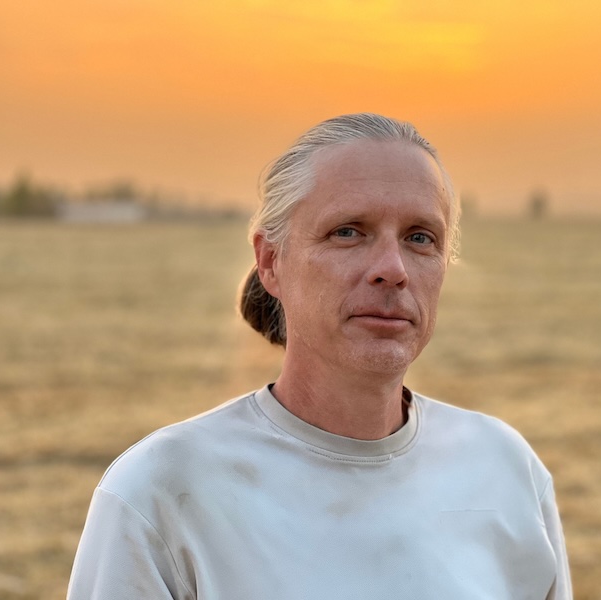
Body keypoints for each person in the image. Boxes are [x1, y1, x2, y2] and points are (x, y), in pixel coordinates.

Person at [67, 113, 572, 599]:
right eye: (348, 231)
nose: (392, 268)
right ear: (271, 262)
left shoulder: (505, 470)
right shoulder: (161, 492)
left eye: (421, 238)